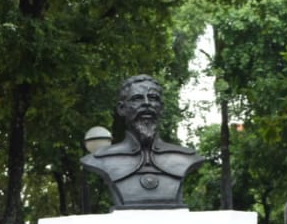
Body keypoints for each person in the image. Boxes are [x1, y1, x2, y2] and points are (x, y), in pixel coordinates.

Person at [80, 75, 205, 210]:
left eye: (153, 98)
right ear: (121, 109)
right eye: (137, 99)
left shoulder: (187, 157)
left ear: (161, 108)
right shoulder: (100, 159)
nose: (146, 103)